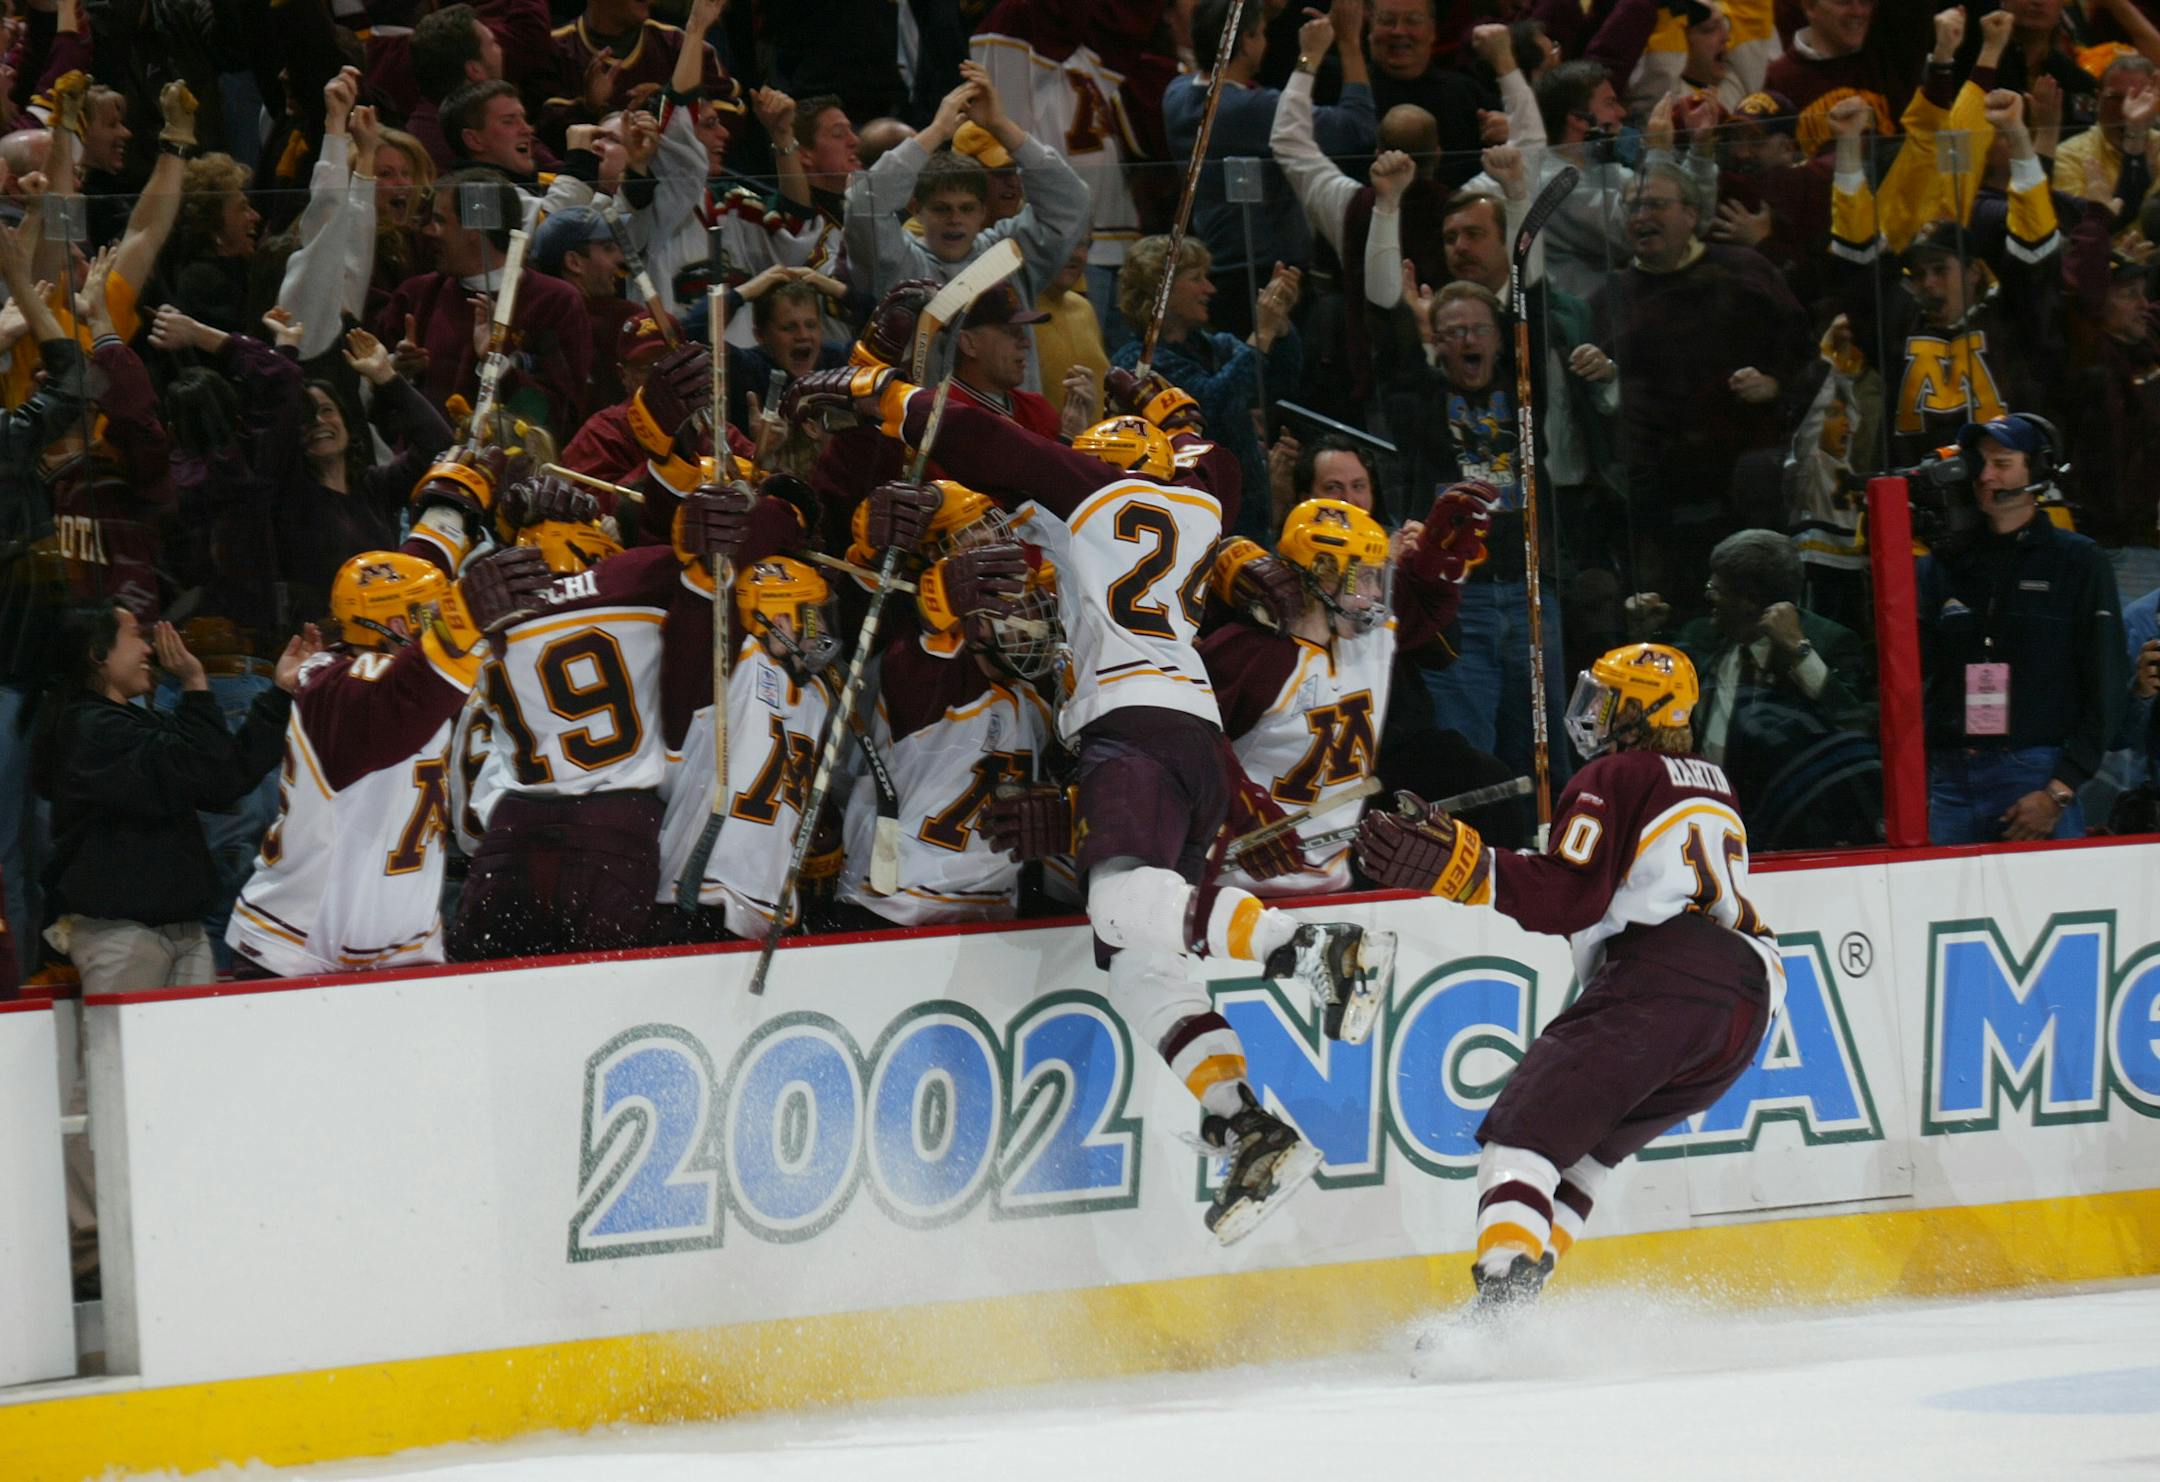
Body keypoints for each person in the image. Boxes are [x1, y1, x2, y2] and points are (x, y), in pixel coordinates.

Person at [784, 362, 1397, 1245]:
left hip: (1130, 723)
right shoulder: (1208, 499)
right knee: (1138, 955)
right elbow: (1212, 455)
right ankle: (1242, 1124)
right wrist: (1166, 403)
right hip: (1191, 733)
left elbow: (972, 435)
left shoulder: (1087, 491)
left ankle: (1306, 948)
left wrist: (874, 385)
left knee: (1116, 902)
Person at [1355, 641, 1784, 1328]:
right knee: (1583, 1158)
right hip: (1750, 999)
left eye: (1606, 700)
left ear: (1640, 710)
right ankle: (1516, 1298)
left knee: (1521, 1139)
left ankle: (1496, 1306)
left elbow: (1569, 899)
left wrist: (1470, 866)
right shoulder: (1710, 778)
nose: (1591, 715)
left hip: (1664, 976)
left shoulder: (1616, 774)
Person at [227, 546, 554, 978]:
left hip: (397, 946)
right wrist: (459, 622)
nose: (438, 619)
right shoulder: (342, 684)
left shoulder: (403, 678)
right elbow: (398, 700)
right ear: (399, 623)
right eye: (431, 611)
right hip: (300, 946)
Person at [1201, 491, 1478, 897]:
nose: (1375, 591)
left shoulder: (1368, 638)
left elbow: (1423, 611)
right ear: (1324, 572)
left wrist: (1437, 563)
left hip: (1332, 888)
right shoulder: (1247, 654)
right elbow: (1182, 743)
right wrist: (1240, 809)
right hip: (1233, 893)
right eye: (1364, 576)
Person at [33, 604, 315, 990]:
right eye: (135, 636)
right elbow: (196, 766)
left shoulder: (135, 725)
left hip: (184, 931)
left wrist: (280, 693)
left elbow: (223, 778)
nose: (149, 649)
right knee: (123, 1053)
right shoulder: (88, 729)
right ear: (98, 654)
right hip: (120, 936)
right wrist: (195, 685)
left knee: (195, 1052)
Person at [1917, 414, 2125, 845]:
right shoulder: (1943, 565)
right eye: (1980, 462)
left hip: (2036, 777)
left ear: (2040, 470)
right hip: (1951, 779)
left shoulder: (2078, 562)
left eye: (2003, 462)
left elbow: (2106, 687)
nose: (1986, 474)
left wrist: (2059, 791)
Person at [843, 63, 1089, 306]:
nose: (955, 219)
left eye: (967, 208)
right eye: (941, 209)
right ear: (917, 210)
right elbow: (860, 200)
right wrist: (937, 131)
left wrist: (1000, 125)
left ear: (982, 211)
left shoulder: (1008, 256)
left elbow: (1073, 203)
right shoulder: (898, 262)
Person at [1108, 234, 1301, 542]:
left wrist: (1280, 326)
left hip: (1247, 515)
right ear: (1163, 290)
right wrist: (1262, 331)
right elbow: (1212, 406)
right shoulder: (1139, 364)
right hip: (1192, 521)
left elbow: (1279, 380)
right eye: (1196, 278)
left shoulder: (1215, 347)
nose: (1209, 289)